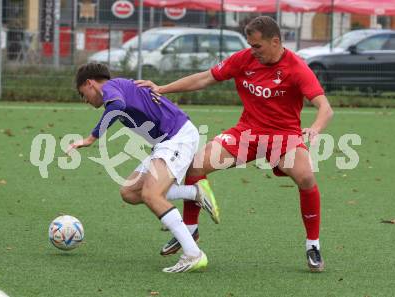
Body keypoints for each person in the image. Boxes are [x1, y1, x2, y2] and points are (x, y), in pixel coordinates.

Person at [135, 16, 334, 272]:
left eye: (257, 46)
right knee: (195, 166)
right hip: (246, 133)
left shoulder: (296, 67)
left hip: (284, 137)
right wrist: (162, 89)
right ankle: (190, 231)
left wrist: (315, 128)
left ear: (275, 41)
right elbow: (204, 78)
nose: (253, 51)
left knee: (306, 178)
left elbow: (325, 108)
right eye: (250, 45)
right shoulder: (244, 59)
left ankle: (313, 245)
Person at [67, 63, 220, 273]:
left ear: (89, 83)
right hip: (166, 143)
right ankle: (194, 192)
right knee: (129, 192)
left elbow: (117, 106)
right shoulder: (120, 86)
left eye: (82, 94)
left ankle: (193, 254)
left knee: (151, 194)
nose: (85, 100)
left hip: (177, 137)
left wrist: (91, 138)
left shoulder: (110, 88)